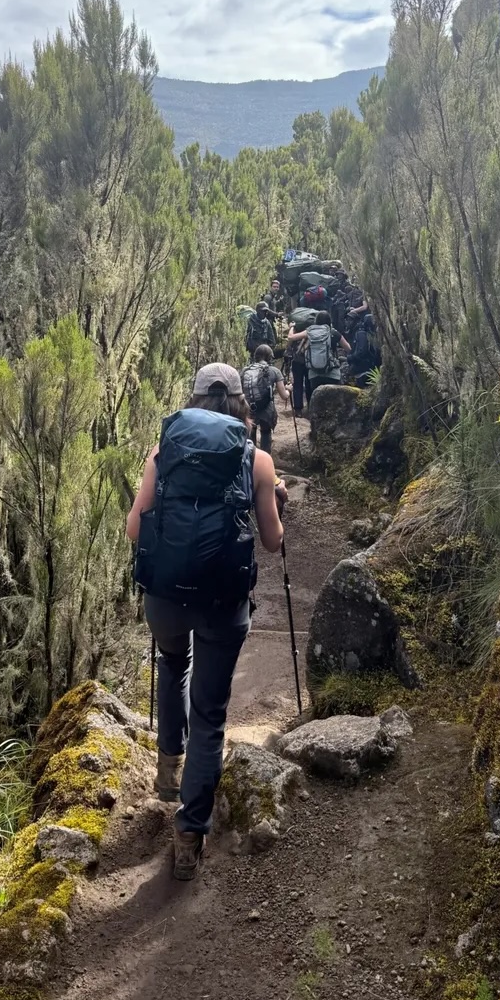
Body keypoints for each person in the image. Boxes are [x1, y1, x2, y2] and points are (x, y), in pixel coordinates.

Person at [127, 364, 287, 881]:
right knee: (211, 712)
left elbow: (135, 530)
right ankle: (189, 833)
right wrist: (276, 499)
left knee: (173, 663)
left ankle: (168, 767)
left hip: (166, 597)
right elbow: (271, 541)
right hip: (223, 601)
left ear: (192, 400)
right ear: (241, 404)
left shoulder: (162, 454)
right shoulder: (256, 459)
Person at [287, 311, 350, 397]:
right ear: (329, 321)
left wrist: (292, 327)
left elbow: (291, 337)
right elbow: (348, 348)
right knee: (335, 399)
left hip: (314, 374)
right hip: (332, 373)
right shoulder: (333, 332)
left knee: (317, 400)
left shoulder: (310, 331)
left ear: (316, 321)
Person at [242, 343, 289, 453]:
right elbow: (284, 395)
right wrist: (288, 390)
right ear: (269, 357)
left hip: (248, 408)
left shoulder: (245, 370)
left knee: (251, 431)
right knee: (266, 431)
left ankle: (250, 457)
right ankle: (265, 457)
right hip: (265, 410)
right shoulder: (274, 371)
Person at [348, 313, 382, 387]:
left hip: (363, 369)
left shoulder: (361, 334)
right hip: (373, 369)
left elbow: (362, 351)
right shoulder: (375, 334)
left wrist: (350, 358)